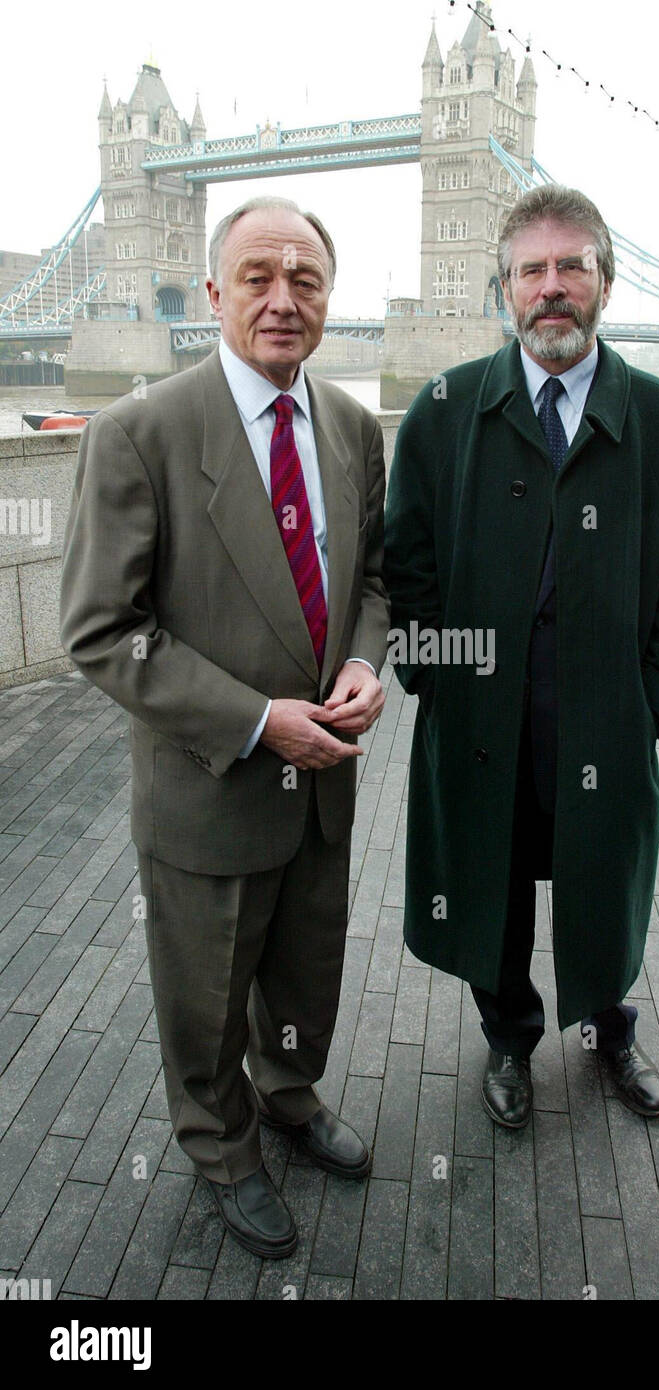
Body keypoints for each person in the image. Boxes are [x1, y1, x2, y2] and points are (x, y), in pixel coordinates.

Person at [59, 196, 389, 1258]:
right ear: (213, 295)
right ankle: (222, 1147)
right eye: (257, 277)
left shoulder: (348, 425)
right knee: (205, 999)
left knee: (303, 970)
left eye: (306, 279)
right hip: (210, 789)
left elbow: (373, 579)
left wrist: (363, 661)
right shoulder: (137, 435)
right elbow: (104, 631)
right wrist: (256, 721)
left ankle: (287, 1095)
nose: (282, 299)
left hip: (323, 783)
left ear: (330, 299)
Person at [384, 184, 659, 1129]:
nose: (551, 288)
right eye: (530, 270)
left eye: (570, 266)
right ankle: (507, 1043)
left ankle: (609, 1035)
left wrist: (653, 701)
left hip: (600, 723)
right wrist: (435, 677)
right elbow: (402, 565)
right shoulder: (444, 412)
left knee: (598, 891)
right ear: (503, 290)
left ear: (605, 285)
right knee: (488, 891)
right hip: (482, 723)